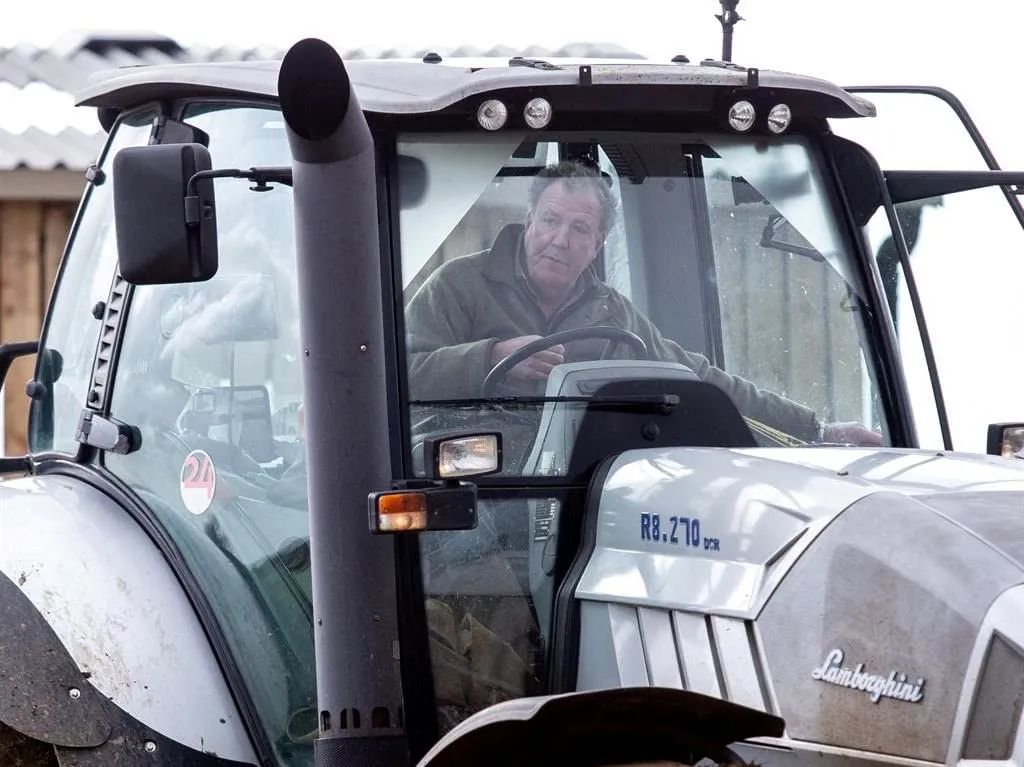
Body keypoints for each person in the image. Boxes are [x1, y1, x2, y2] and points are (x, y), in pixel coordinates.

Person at [405, 160, 881, 447]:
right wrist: (492, 358)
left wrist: (816, 430)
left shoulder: (612, 315)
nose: (560, 240)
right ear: (529, 220)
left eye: (580, 229)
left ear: (598, 244)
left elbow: (701, 380)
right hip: (477, 490)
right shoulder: (458, 285)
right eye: (550, 221)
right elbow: (398, 375)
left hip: (575, 488)